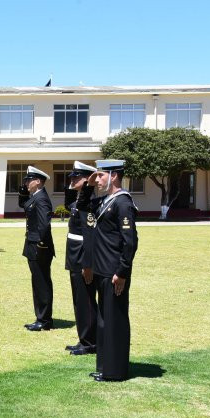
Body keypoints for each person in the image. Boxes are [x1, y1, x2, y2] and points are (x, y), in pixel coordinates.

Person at [78, 160, 139, 382]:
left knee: (115, 322)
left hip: (114, 273)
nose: (98, 180)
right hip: (103, 271)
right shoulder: (105, 201)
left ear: (114, 176)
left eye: (101, 175)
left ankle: (116, 371)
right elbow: (83, 208)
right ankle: (105, 367)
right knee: (104, 323)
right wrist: (87, 186)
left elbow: (130, 242)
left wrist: (122, 272)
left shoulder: (122, 203)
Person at [64, 161, 98, 355]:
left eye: (76, 177)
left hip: (82, 258)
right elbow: (68, 200)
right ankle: (83, 338)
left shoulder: (89, 203)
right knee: (79, 300)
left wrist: (88, 263)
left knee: (85, 300)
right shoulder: (78, 201)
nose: (72, 180)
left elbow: (90, 235)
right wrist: (78, 185)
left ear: (87, 180)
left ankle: (90, 342)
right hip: (74, 256)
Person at [19, 166, 55, 331]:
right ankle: (40, 316)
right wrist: (23, 191)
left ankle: (45, 320)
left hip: (39, 246)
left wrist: (41, 245)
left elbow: (44, 225)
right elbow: (24, 205)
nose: (26, 182)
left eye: (29, 180)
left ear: (38, 181)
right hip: (33, 244)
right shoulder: (35, 196)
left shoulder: (41, 199)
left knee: (42, 282)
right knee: (37, 281)